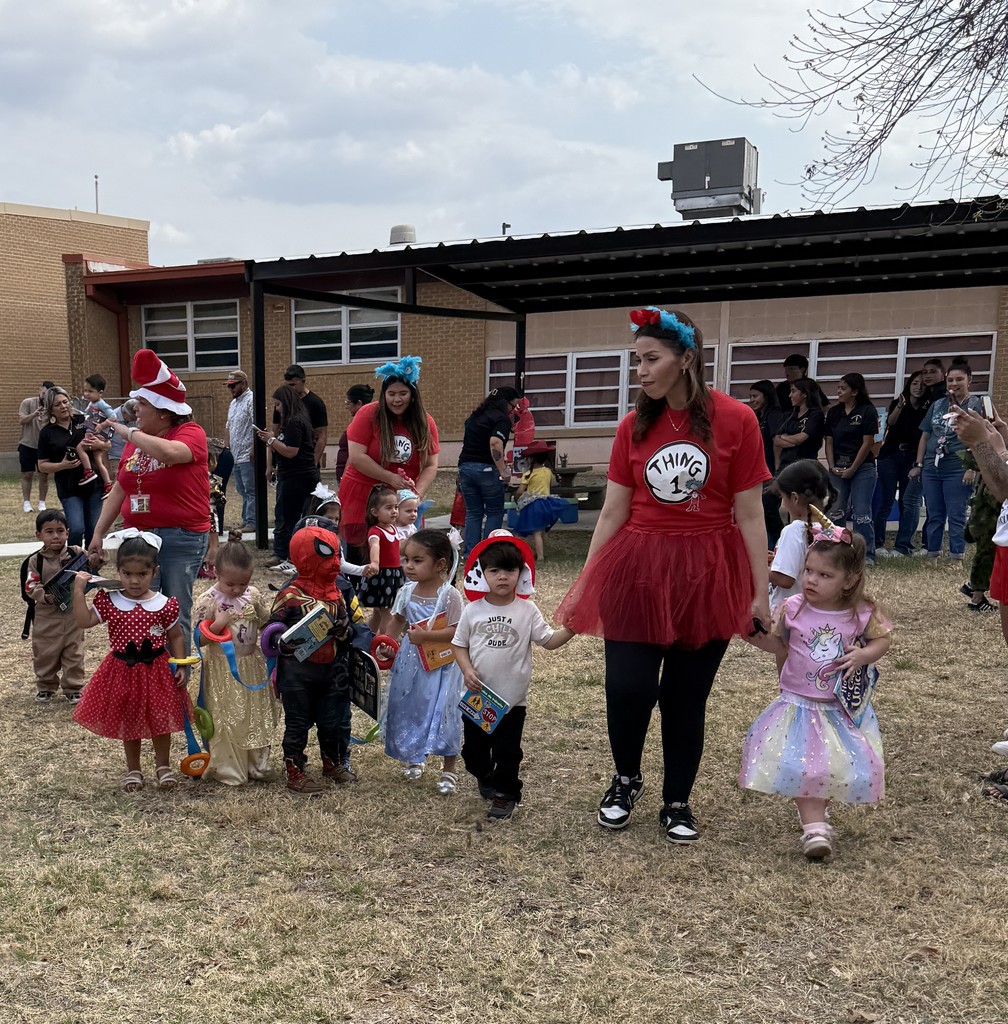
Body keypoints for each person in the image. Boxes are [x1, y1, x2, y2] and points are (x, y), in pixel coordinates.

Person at [556, 306, 771, 844]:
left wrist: (759, 591)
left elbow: (750, 514)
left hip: (707, 572)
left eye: (651, 359)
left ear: (687, 359)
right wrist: (585, 584)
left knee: (685, 695)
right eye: (638, 360)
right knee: (626, 687)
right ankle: (625, 779)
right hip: (638, 567)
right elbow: (612, 512)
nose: (641, 371)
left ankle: (677, 799)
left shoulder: (736, 419)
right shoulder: (634, 426)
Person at [741, 524, 891, 860]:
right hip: (800, 705)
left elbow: (883, 640)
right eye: (808, 570)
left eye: (825, 575)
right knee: (806, 768)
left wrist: (864, 654)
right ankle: (814, 829)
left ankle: (818, 816)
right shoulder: (793, 607)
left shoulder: (861, 611)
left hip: (840, 708)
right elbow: (780, 645)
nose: (811, 580)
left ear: (848, 580)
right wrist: (752, 636)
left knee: (828, 767)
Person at [87, 349, 212, 657]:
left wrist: (127, 432)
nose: (136, 411)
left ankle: (176, 672)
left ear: (163, 411)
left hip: (180, 536)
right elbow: (120, 488)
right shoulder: (137, 441)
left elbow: (169, 453)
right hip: (139, 537)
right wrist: (98, 533)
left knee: (173, 610)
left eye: (142, 404)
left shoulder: (190, 432)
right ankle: (145, 672)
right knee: (140, 608)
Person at [453, 534, 573, 820]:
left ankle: (506, 795)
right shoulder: (472, 610)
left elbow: (548, 641)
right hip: (479, 697)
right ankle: (486, 776)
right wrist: (467, 670)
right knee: (473, 755)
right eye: (494, 570)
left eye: (510, 570)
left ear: (521, 573)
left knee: (508, 752)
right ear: (482, 573)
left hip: (513, 701)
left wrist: (571, 629)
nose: (502, 577)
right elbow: (459, 645)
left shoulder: (527, 610)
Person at [71, 532, 188, 792]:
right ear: (118, 571)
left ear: (155, 572)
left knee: (160, 720)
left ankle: (163, 766)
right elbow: (84, 621)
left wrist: (181, 663)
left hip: (157, 671)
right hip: (123, 671)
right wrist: (78, 592)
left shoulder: (164, 604)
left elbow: (176, 635)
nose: (134, 581)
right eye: (127, 574)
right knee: (130, 720)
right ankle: (133, 769)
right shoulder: (111, 601)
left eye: (142, 574)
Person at [268, 522, 353, 795]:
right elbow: (271, 630)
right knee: (297, 723)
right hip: (297, 673)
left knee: (331, 721)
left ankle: (332, 762)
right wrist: (282, 642)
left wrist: (344, 631)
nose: (335, 562)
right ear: (305, 556)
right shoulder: (290, 595)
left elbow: (348, 626)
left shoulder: (336, 593)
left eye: (338, 554)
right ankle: (295, 771)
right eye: (327, 554)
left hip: (331, 670)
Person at [379, 529, 465, 791]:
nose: (408, 566)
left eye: (417, 560)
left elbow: (457, 630)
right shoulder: (406, 591)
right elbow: (398, 620)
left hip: (443, 665)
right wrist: (387, 644)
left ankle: (449, 768)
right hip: (411, 661)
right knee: (411, 706)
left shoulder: (449, 595)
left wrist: (426, 636)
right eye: (406, 559)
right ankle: (414, 755)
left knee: (444, 711)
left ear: (440, 564)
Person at [192, 531, 279, 785]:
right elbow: (199, 639)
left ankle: (257, 764)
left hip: (252, 666)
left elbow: (265, 623)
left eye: (243, 583)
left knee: (253, 714)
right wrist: (218, 624)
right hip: (223, 670)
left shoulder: (252, 595)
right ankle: (230, 767)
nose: (237, 589)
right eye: (230, 584)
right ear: (216, 573)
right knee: (227, 717)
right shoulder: (208, 600)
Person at [339, 356, 440, 563]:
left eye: (403, 393)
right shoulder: (368, 414)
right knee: (363, 555)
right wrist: (390, 477)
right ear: (384, 394)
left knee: (399, 554)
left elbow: (431, 464)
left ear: (413, 394)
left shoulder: (425, 421)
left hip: (401, 500)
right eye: (391, 394)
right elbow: (356, 457)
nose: (397, 399)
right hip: (362, 496)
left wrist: (416, 494)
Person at [908, 358, 984, 562]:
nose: (954, 384)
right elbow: (926, 435)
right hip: (932, 467)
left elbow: (981, 439)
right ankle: (933, 554)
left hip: (958, 467)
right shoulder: (938, 405)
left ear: (969, 380)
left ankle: (956, 556)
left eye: (959, 379)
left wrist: (972, 467)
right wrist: (919, 464)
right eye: (950, 380)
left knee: (956, 513)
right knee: (934, 513)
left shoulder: (975, 405)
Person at [23, 509, 86, 705]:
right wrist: (43, 595)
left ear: (67, 532)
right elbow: (30, 585)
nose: (56, 536)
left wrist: (98, 558)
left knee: (74, 653)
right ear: (39, 535)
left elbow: (94, 563)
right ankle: (45, 687)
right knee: (45, 653)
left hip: (73, 615)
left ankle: (74, 688)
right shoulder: (36, 560)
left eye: (60, 531)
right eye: (49, 532)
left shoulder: (76, 553)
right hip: (46, 617)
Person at [256, 384, 320, 573]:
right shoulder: (295, 420)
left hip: (297, 477)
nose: (277, 409)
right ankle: (290, 557)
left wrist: (271, 440)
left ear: (286, 402)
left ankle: (295, 560)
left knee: (292, 519)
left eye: (278, 404)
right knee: (290, 518)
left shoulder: (294, 421)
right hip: (294, 475)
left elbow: (291, 451)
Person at [36, 387, 107, 549]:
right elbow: (42, 465)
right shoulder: (47, 433)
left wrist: (100, 444)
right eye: (57, 405)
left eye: (65, 402)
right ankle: (74, 561)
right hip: (69, 487)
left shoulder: (84, 420)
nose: (63, 406)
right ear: (50, 409)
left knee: (93, 529)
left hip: (94, 484)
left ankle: (92, 562)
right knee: (76, 528)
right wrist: (62, 465)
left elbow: (107, 442)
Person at [457, 385, 521, 554]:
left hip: (466, 467)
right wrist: (503, 471)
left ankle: (471, 554)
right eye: (513, 406)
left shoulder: (475, 416)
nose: (513, 410)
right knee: (494, 512)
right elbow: (495, 442)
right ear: (504, 403)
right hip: (486, 469)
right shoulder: (501, 419)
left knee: (473, 513)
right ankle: (488, 552)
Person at [824, 373, 879, 562]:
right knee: (836, 510)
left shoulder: (867, 411)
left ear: (854, 391)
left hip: (862, 467)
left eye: (843, 388)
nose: (839, 392)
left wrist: (853, 468)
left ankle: (866, 555)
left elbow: (867, 443)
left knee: (861, 513)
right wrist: (832, 466)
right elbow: (829, 441)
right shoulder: (834, 412)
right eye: (838, 388)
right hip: (838, 466)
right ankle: (837, 553)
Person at [768, 460, 833, 615]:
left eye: (782, 497)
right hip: (813, 614)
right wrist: (777, 560)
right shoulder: (830, 530)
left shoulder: (793, 531)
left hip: (788, 616)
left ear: (794, 498)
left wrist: (754, 567)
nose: (782, 503)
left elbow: (785, 579)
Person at [874, 371, 927, 557]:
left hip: (912, 457)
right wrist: (900, 406)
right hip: (890, 455)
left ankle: (903, 546)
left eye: (922, 384)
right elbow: (890, 422)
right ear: (909, 385)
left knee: (908, 501)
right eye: (915, 383)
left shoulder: (928, 407)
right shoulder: (899, 402)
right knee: (886, 500)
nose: (918, 387)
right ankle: (877, 543)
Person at [512, 440, 575, 561]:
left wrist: (516, 499)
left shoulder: (528, 474)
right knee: (542, 530)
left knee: (535, 532)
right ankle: (544, 550)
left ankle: (540, 556)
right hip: (547, 503)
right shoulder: (548, 471)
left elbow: (520, 491)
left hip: (534, 506)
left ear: (531, 459)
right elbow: (551, 484)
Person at [357, 484, 404, 635]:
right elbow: (375, 545)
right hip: (383, 576)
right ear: (375, 512)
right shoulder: (375, 531)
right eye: (389, 508)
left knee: (379, 613)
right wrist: (375, 563)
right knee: (387, 613)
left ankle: (368, 638)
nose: (394, 511)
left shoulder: (393, 528)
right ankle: (384, 641)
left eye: (396, 507)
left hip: (395, 574)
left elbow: (396, 548)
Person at [749, 380, 787, 548]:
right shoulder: (757, 415)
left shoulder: (774, 415)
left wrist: (777, 468)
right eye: (750, 396)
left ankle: (775, 544)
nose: (752, 400)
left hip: (771, 469)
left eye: (755, 396)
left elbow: (776, 442)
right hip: (758, 469)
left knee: (769, 509)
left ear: (766, 396)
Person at [270, 364, 328, 468]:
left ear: (303, 381)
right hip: (286, 459)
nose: (291, 389)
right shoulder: (282, 403)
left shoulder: (315, 403)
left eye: (293, 385)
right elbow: (275, 430)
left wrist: (314, 462)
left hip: (305, 458)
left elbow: (321, 436)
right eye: (288, 385)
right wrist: (272, 463)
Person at [223, 369, 256, 531]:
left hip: (247, 453)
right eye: (229, 386)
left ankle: (253, 521)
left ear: (243, 383)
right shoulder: (233, 403)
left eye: (233, 386)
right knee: (242, 489)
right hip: (235, 454)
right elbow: (228, 426)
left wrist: (254, 448)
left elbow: (257, 425)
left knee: (251, 489)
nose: (231, 389)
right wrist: (227, 447)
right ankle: (246, 519)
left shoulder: (251, 400)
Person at [774, 378, 826, 470]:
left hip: (806, 465)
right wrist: (795, 442)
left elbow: (800, 438)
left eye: (793, 391)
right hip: (786, 465)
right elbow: (777, 441)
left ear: (805, 394)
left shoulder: (815, 415)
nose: (790, 395)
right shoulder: (788, 415)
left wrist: (784, 437)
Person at [18, 380, 54, 513]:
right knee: (27, 474)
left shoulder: (52, 407)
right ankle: (26, 503)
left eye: (48, 395)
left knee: (43, 475)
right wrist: (34, 414)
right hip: (27, 443)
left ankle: (42, 503)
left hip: (44, 447)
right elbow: (21, 420)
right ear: (40, 390)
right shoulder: (28, 402)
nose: (44, 397)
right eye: (43, 393)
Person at [76, 373, 115, 490]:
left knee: (79, 448)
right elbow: (87, 416)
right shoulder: (92, 403)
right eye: (85, 390)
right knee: (99, 461)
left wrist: (102, 425)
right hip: (94, 434)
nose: (86, 394)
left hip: (96, 436)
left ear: (100, 392)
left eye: (90, 391)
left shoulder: (101, 404)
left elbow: (113, 417)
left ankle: (88, 471)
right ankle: (108, 484)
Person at [335, 384, 374, 483]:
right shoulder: (358, 422)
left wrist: (345, 479)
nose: (346, 407)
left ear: (359, 403)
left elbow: (353, 455)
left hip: (352, 478)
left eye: (348, 403)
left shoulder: (363, 425)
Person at [108, 398, 138, 475]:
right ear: (124, 412)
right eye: (132, 418)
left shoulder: (137, 417)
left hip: (132, 457)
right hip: (116, 458)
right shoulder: (111, 417)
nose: (134, 421)